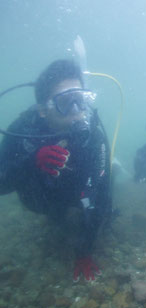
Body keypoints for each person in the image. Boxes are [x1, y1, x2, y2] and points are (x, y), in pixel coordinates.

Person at [0, 59, 112, 282]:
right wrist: (30, 162)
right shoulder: (23, 130)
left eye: (80, 100)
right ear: (43, 110)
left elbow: (103, 196)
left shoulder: (93, 136)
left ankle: (115, 166)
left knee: (106, 213)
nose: (76, 111)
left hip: (75, 194)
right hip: (40, 201)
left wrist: (84, 251)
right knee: (56, 217)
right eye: (65, 102)